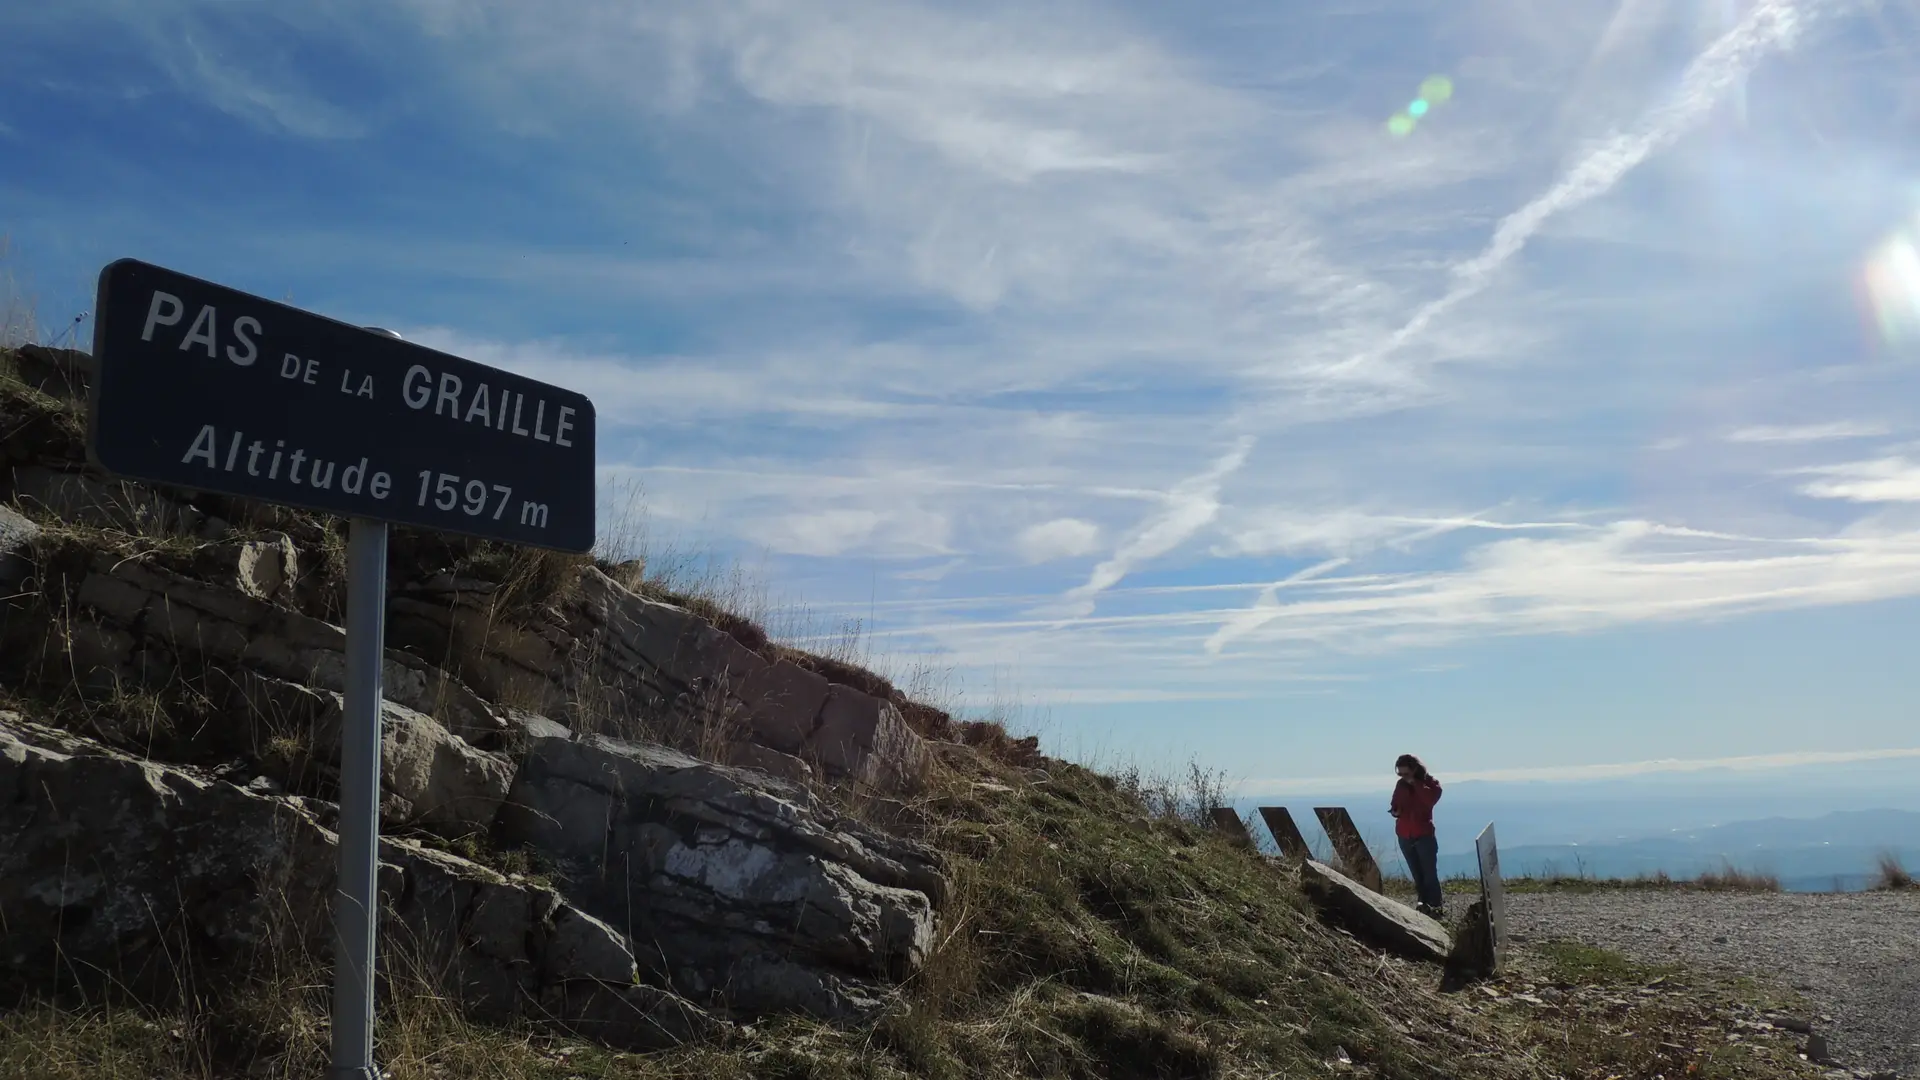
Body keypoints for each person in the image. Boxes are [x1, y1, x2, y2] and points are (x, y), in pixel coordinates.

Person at [1390, 753, 1445, 918]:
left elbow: (1429, 800)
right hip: (1404, 834)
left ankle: (1435, 906)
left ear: (1415, 770)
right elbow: (1394, 804)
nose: (1402, 777)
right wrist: (1395, 811)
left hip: (1423, 834)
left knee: (1429, 873)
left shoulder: (1432, 785)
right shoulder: (1400, 785)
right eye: (1400, 774)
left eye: (1405, 773)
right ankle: (1423, 904)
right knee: (1416, 873)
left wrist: (1415, 784)